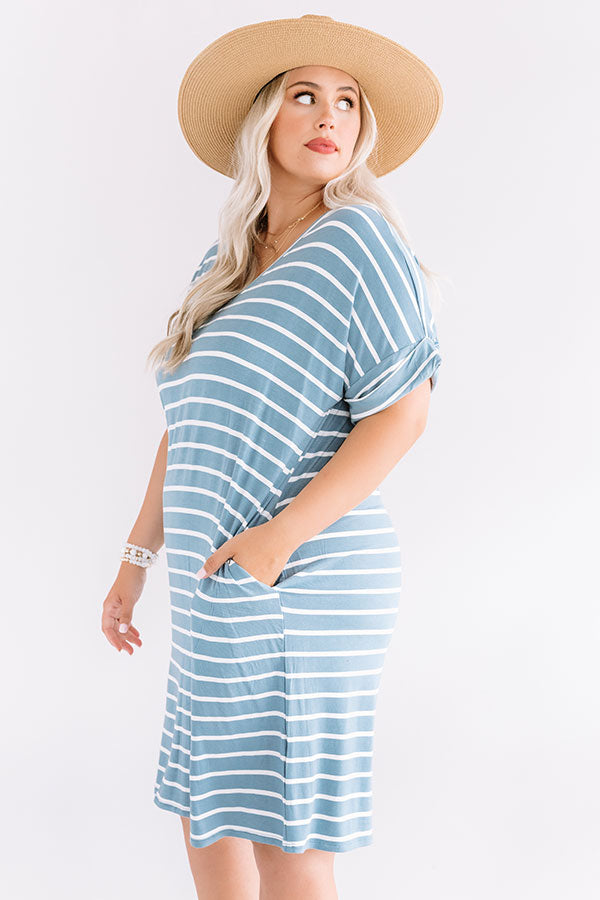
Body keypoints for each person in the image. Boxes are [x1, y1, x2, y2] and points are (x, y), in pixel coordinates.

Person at [101, 14, 445, 900]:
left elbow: (403, 414)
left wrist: (276, 543)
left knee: (285, 835)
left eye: (348, 101)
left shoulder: (358, 239)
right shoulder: (223, 265)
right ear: (263, 119)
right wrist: (137, 559)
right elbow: (188, 424)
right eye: (305, 96)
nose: (330, 116)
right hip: (217, 575)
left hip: (303, 572)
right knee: (206, 805)